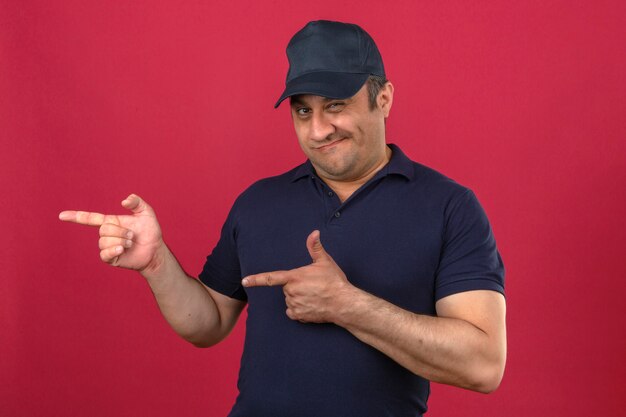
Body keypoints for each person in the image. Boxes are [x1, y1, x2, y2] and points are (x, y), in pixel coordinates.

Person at [60, 20, 506, 417]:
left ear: (383, 98)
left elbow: (483, 366)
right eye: (303, 110)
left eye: (335, 105)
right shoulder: (259, 202)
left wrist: (349, 307)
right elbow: (208, 323)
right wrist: (157, 264)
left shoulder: (450, 207)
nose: (317, 130)